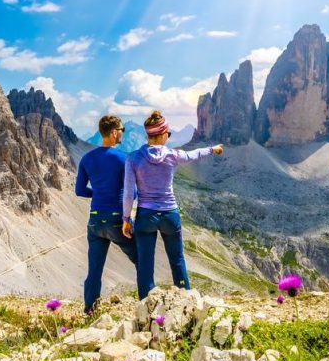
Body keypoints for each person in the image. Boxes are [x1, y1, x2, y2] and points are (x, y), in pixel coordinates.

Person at [122, 110, 223, 300]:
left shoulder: (133, 158)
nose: (168, 137)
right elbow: (194, 154)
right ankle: (186, 301)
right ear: (162, 134)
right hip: (170, 215)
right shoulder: (174, 155)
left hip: (146, 216)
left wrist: (126, 219)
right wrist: (213, 149)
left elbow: (128, 193)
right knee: (177, 260)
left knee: (145, 263)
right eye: (168, 134)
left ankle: (146, 306)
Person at [75, 115, 138, 314]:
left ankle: (90, 311)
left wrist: (99, 193)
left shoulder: (86, 158)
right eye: (121, 130)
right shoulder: (123, 159)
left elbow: (79, 190)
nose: (122, 133)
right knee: (142, 259)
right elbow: (132, 193)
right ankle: (149, 306)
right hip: (116, 219)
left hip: (95, 220)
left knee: (94, 270)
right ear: (113, 133)